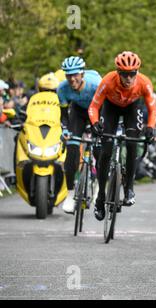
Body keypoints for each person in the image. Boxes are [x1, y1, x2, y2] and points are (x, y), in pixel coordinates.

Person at [88, 51, 156, 221]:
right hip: (111, 108)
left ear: (137, 73)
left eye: (132, 74)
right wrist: (95, 123)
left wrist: (150, 127)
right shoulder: (107, 81)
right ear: (118, 73)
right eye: (124, 74)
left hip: (132, 108)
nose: (128, 78)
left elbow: (152, 109)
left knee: (132, 143)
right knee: (106, 150)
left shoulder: (144, 83)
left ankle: (129, 188)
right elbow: (93, 107)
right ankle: (101, 197)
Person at [57, 56, 102, 214]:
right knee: (72, 149)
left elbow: (108, 108)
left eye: (75, 74)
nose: (71, 78)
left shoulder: (95, 84)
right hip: (78, 112)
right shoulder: (62, 88)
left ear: (82, 74)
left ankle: (99, 188)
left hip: (98, 110)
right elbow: (64, 114)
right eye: (68, 75)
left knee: (100, 148)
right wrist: (65, 130)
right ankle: (70, 194)